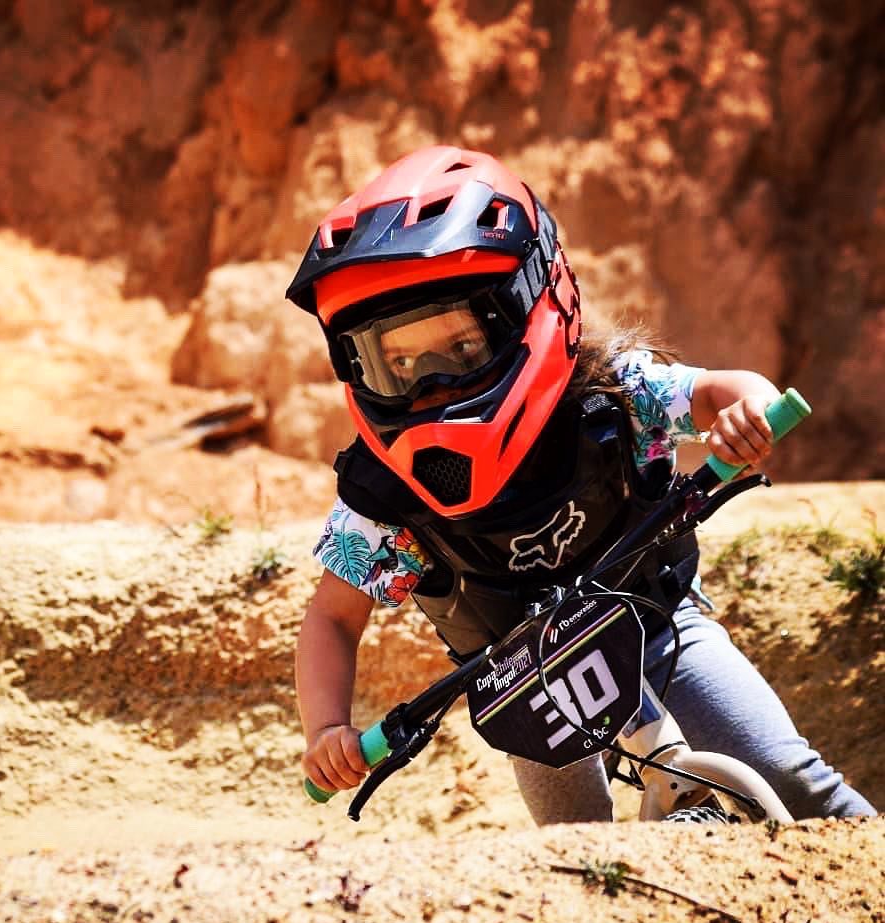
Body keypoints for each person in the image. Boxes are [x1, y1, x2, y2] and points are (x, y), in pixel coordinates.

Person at [285, 144, 876, 823]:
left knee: (786, 777)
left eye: (462, 347)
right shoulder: (390, 494)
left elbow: (717, 390)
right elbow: (332, 616)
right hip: (524, 689)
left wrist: (750, 406)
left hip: (655, 625)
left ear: (534, 298)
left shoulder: (612, 393)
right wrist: (326, 729)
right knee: (574, 849)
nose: (433, 385)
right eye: (398, 365)